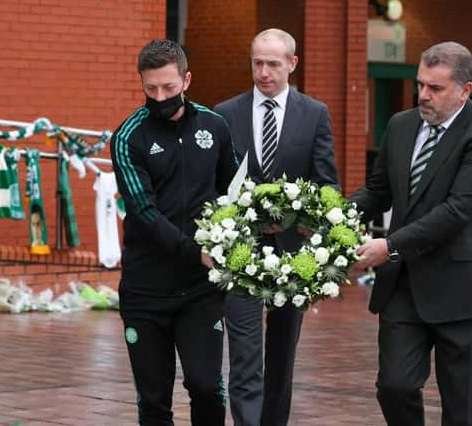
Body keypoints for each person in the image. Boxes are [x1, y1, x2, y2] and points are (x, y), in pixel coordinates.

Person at [350, 41, 472, 426]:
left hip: (466, 289)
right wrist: (327, 217)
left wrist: (388, 246)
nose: (423, 95)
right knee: (395, 386)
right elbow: (378, 191)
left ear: (465, 89)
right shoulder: (401, 125)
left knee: (465, 409)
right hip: (404, 286)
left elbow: (457, 211)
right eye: (420, 84)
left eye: (435, 88)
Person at [214, 28, 340, 426]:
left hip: (294, 254)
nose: (264, 72)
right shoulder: (225, 113)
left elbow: (327, 182)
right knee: (245, 351)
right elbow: (215, 184)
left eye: (272, 63)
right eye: (257, 63)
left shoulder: (314, 113)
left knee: (283, 354)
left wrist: (314, 224)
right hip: (239, 252)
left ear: (291, 63)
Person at [111, 39, 237, 426]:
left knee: (205, 385)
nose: (160, 96)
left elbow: (232, 190)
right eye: (151, 89)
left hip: (200, 291)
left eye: (168, 87)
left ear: (187, 79)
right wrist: (194, 250)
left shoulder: (214, 126)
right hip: (145, 292)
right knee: (153, 400)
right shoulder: (128, 137)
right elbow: (144, 213)